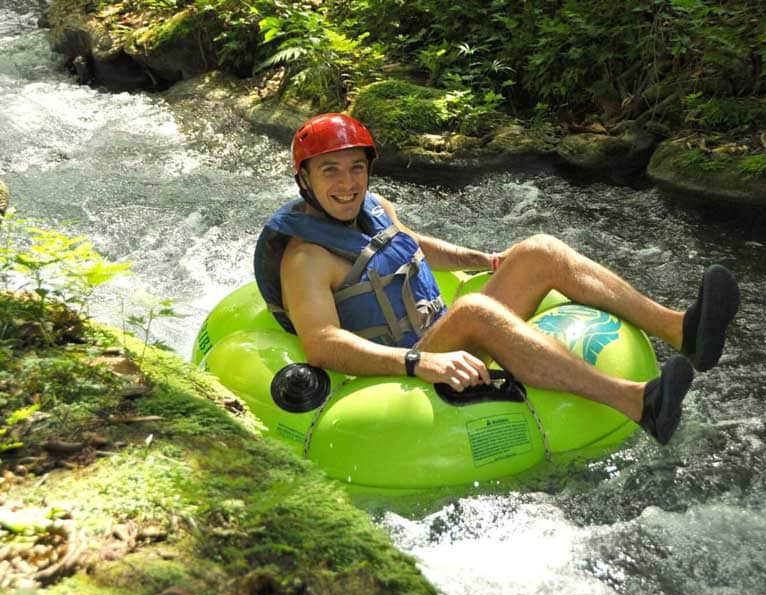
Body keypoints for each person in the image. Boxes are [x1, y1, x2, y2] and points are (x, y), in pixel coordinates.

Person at [254, 113, 740, 445]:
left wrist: (484, 259)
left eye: (356, 168)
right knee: (472, 310)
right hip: (397, 367)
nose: (347, 183)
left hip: (435, 333)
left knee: (539, 250)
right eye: (331, 171)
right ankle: (639, 403)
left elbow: (408, 245)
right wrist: (419, 361)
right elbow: (322, 345)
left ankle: (681, 330)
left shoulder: (375, 207)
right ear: (305, 179)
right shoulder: (305, 259)